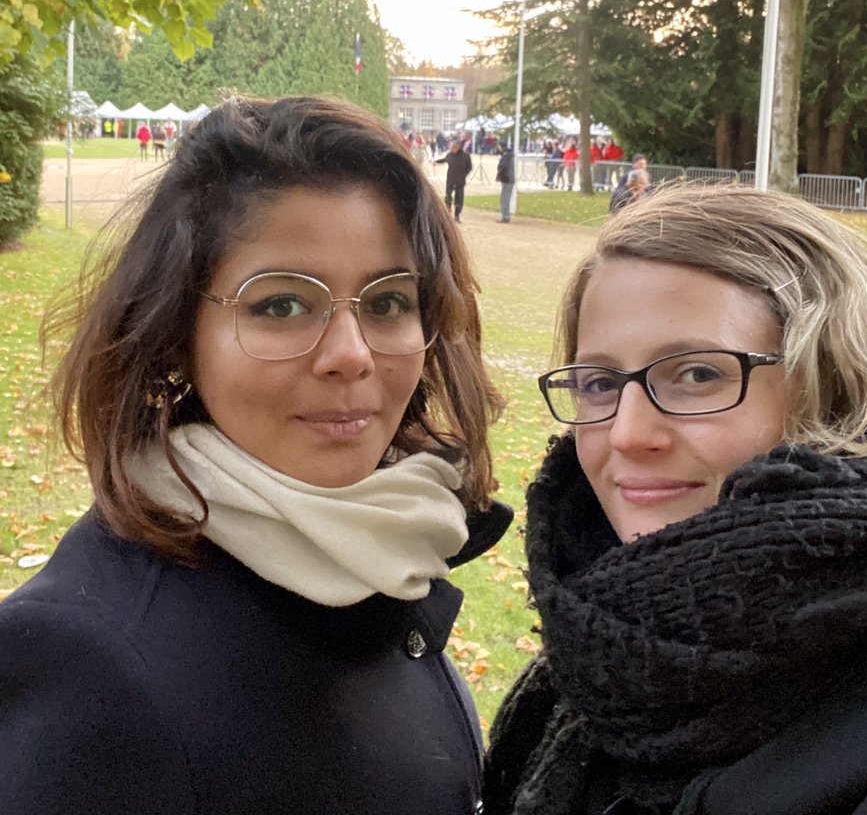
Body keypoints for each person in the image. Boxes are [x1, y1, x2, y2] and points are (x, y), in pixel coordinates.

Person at [0, 95, 511, 815]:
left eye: (388, 302)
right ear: (178, 330)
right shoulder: (90, 664)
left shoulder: (390, 552)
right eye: (279, 304)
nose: (351, 355)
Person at [484, 184, 867, 815]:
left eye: (698, 374)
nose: (627, 434)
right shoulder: (599, 653)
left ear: (839, 389)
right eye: (599, 382)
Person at [435, 138, 473, 223]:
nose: (452, 149)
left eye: (454, 147)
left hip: (460, 180)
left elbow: (469, 167)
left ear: (459, 147)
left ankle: (457, 216)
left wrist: (464, 175)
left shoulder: (465, 156)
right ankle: (448, 215)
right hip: (450, 179)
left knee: (459, 199)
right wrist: (436, 162)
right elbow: (444, 160)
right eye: (452, 147)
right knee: (448, 197)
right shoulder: (450, 155)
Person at [496, 143, 515, 224]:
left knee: (504, 199)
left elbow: (502, 166)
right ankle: (506, 216)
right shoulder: (508, 155)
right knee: (505, 198)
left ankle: (506, 217)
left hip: (507, 179)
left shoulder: (506, 156)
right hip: (509, 179)